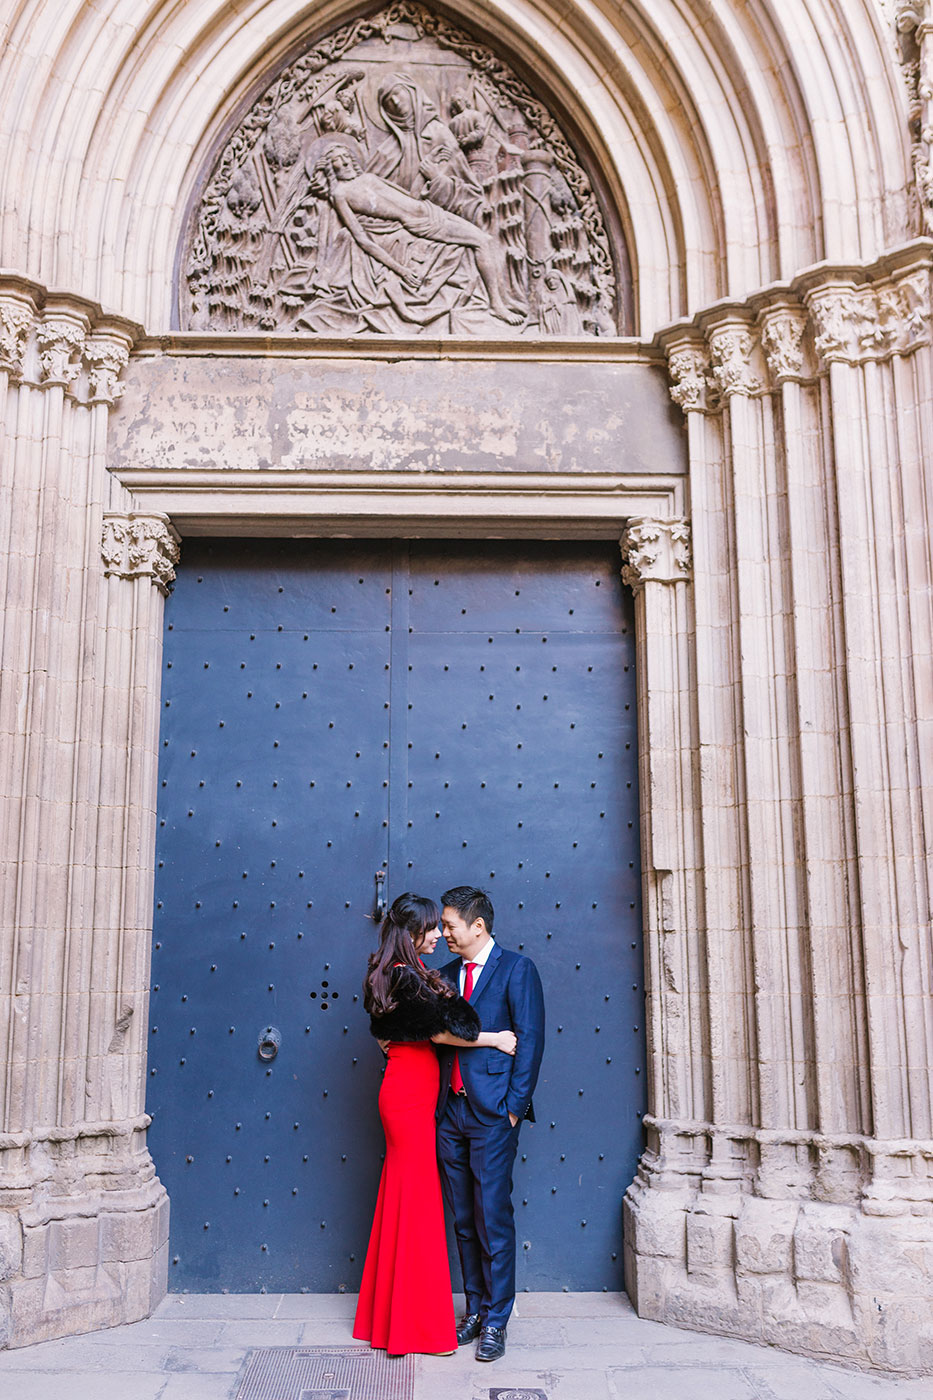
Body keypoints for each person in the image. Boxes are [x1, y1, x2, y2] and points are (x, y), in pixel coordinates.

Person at [352, 893, 518, 1357]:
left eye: (443, 928)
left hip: (409, 1091)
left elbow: (391, 1030)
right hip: (410, 1097)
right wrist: (495, 1038)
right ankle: (413, 1327)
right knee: (417, 1204)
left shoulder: (392, 974)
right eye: (431, 930)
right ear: (411, 934)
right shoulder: (410, 978)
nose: (438, 937)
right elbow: (445, 1031)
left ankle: (391, 1316)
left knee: (403, 1199)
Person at [436, 886, 546, 1363]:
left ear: (477, 926)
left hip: (493, 1116)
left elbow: (531, 1040)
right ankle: (475, 1311)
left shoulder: (517, 970)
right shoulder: (442, 976)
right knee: (462, 1218)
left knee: (491, 1217)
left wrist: (513, 1109)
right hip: (450, 1113)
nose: (443, 934)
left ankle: (498, 1320)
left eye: (449, 926)